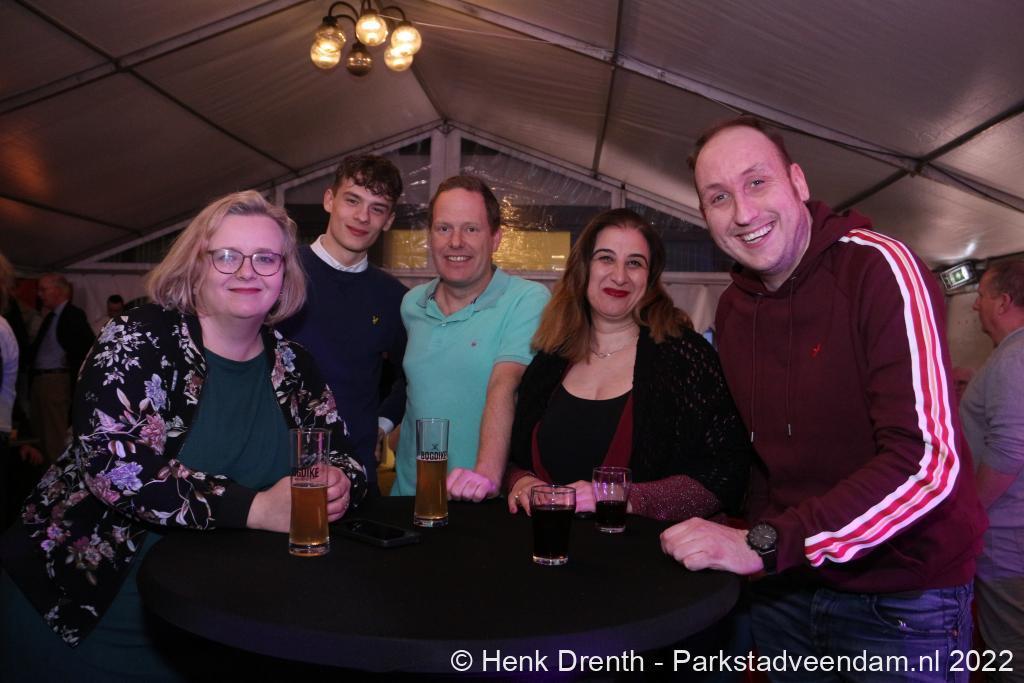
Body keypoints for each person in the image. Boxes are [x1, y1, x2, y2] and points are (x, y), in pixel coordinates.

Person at [661, 116, 985, 680]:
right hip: (786, 591)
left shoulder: (880, 268)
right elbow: (763, 459)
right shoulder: (733, 311)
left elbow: (927, 464)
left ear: (798, 182)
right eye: (718, 197)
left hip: (899, 599)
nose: (743, 213)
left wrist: (765, 543)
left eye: (756, 182)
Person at [0, 191, 366, 680]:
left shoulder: (295, 364)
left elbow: (345, 457)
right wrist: (256, 508)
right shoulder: (139, 337)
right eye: (227, 256)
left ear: (285, 273)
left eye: (266, 258)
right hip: (87, 615)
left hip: (216, 620)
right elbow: (115, 468)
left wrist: (338, 483)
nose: (247, 272)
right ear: (196, 265)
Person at [505, 208, 750, 520]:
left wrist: (621, 496)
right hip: (548, 542)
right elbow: (514, 460)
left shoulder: (686, 358)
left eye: (634, 263)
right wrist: (520, 481)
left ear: (650, 278)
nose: (619, 276)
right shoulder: (550, 359)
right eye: (606, 258)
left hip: (642, 548)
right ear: (584, 268)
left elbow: (726, 474)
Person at [392, 175, 550, 501]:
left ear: (495, 238)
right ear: (430, 236)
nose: (455, 242)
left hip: (480, 501)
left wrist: (486, 476)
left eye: (471, 229)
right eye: (444, 228)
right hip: (408, 500)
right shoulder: (412, 305)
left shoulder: (526, 300)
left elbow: (505, 383)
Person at [278, 155, 407, 496]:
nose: (363, 217)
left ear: (389, 220)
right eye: (352, 200)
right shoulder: (279, 273)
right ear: (329, 200)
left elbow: (414, 375)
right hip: (275, 476)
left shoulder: (393, 298)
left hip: (356, 478)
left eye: (377, 208)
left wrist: (383, 422)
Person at [960, 259, 1024, 680]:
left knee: (1011, 656)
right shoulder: (1009, 358)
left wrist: (970, 511)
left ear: (1003, 302)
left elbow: (1009, 450)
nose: (974, 305)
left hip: (1007, 540)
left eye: (981, 295)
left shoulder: (1013, 358)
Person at [27, 273, 95, 463]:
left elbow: (85, 348)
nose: (40, 294)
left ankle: (58, 475)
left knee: (53, 437)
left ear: (58, 290)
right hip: (43, 381)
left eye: (44, 289)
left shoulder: (72, 315)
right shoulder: (51, 317)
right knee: (40, 436)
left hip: (55, 381)